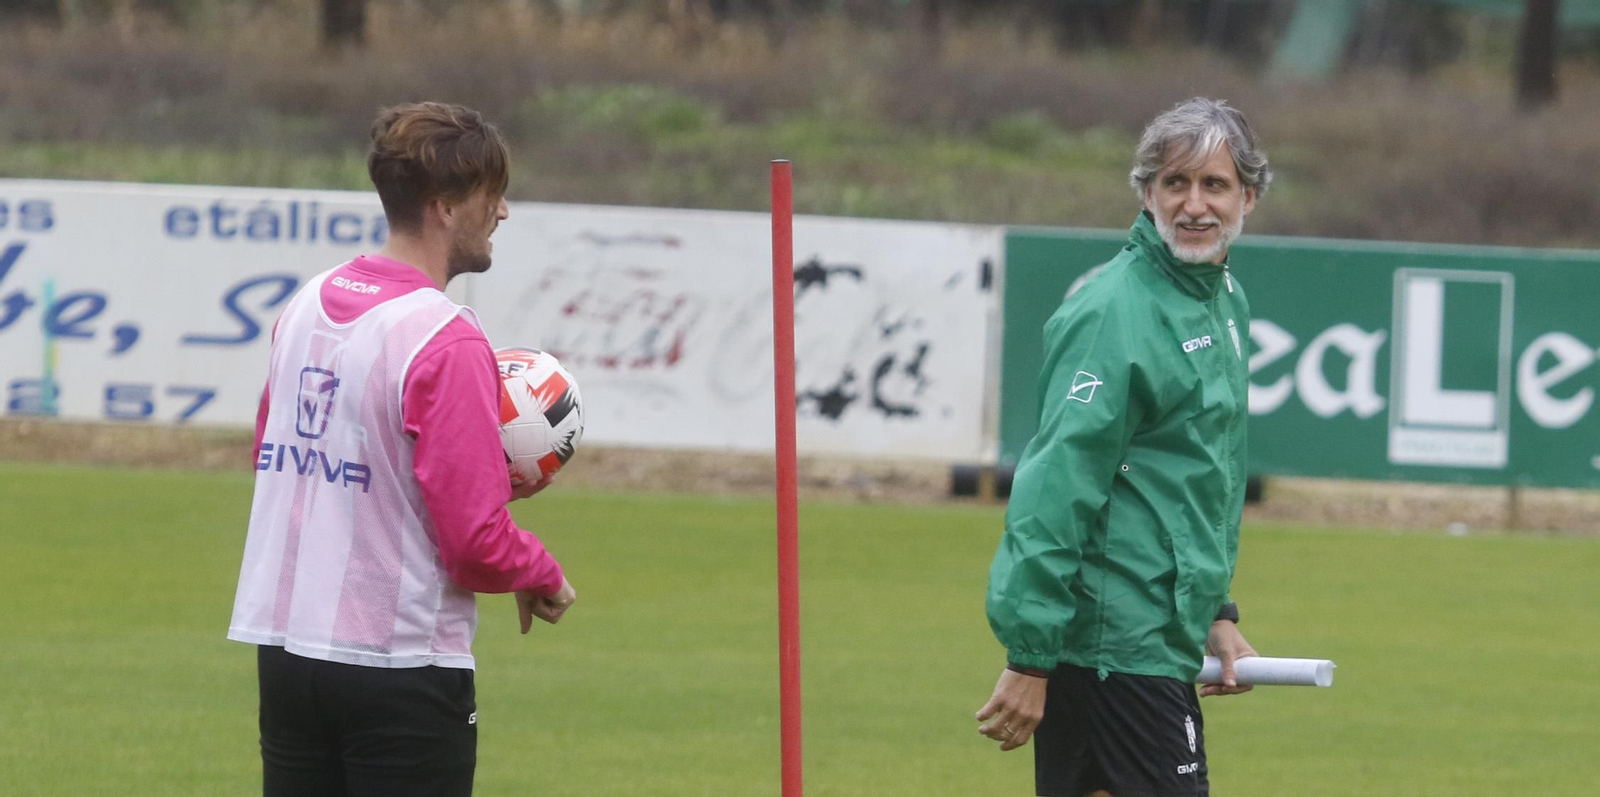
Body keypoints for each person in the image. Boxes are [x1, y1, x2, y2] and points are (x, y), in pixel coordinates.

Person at [227, 101, 577, 797]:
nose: (501, 212)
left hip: (289, 653)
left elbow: (275, 456)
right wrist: (538, 569)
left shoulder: (306, 304)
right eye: (491, 195)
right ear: (446, 206)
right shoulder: (444, 336)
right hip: (399, 667)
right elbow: (473, 541)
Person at [976, 97, 1269, 797]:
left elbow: (1197, 478)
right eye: (1175, 183)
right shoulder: (1115, 310)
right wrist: (1032, 654)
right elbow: (1056, 486)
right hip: (1114, 646)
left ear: (1248, 197)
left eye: (1214, 185)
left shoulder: (1223, 299)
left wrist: (1214, 612)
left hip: (1152, 638)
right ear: (1146, 193)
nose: (1194, 205)